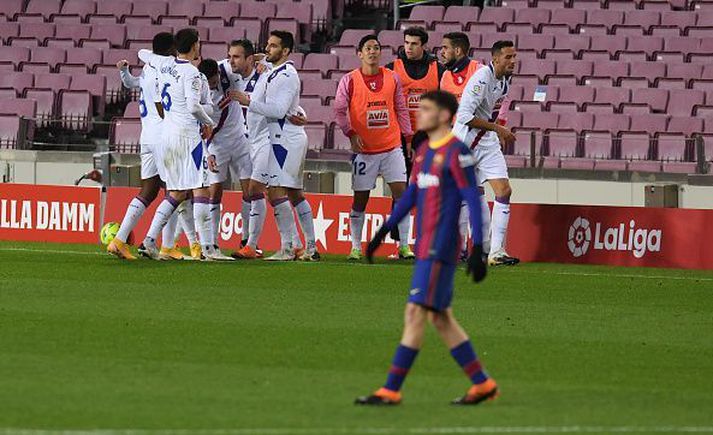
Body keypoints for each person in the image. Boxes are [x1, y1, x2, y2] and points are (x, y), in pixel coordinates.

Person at [355, 90, 495, 406]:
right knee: (440, 318)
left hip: (441, 246)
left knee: (415, 312)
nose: (420, 112)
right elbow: (411, 196)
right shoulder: (423, 152)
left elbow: (472, 198)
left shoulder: (457, 152)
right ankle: (482, 383)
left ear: (445, 116)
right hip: (425, 245)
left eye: (428, 108)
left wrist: (478, 249)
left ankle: (390, 389)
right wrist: (385, 230)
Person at [137, 28, 228, 261]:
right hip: (187, 138)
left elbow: (142, 53)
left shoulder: (164, 66)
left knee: (176, 192)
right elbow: (194, 106)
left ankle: (149, 241)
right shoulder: (192, 74)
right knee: (201, 188)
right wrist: (208, 123)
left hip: (166, 136)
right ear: (195, 46)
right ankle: (208, 248)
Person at [108, 32, 199, 261]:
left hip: (146, 136)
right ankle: (165, 245)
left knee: (148, 191)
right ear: (171, 51)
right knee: (176, 191)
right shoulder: (167, 70)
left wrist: (124, 71)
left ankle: (119, 240)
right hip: (164, 138)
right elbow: (162, 105)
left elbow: (131, 82)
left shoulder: (149, 69)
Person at [232, 31, 319, 261]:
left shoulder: (286, 75)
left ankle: (290, 247)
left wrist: (248, 101)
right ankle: (306, 248)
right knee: (290, 193)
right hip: (275, 139)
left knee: (276, 191)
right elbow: (288, 107)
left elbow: (280, 110)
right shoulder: (272, 71)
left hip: (284, 140)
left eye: (273, 46)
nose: (268, 49)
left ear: (286, 51)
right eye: (267, 45)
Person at [334, 34, 415, 261]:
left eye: (376, 48)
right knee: (360, 200)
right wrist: (350, 133)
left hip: (391, 147)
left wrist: (407, 138)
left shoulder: (392, 78)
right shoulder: (349, 80)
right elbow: (339, 110)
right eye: (368, 48)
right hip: (364, 151)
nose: (373, 51)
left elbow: (401, 108)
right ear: (359, 53)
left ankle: (404, 246)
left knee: (402, 195)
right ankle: (355, 247)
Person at [453, 40, 519, 267]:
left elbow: (494, 111)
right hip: (466, 142)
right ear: (496, 59)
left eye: (514, 56)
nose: (513, 61)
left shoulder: (505, 82)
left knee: (504, 190)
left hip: (487, 142)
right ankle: (479, 247)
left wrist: (498, 128)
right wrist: (498, 128)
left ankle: (497, 252)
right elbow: (463, 116)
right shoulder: (481, 78)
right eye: (508, 57)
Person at [385, 26, 445, 255]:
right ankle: (400, 244)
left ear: (424, 46)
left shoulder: (437, 69)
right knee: (401, 188)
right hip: (401, 135)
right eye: (406, 43)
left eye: (413, 44)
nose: (408, 47)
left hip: (428, 135)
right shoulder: (392, 69)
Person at [196, 57, 245, 260]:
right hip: (215, 143)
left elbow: (245, 62)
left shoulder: (227, 69)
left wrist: (262, 62)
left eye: (215, 80)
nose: (213, 85)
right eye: (210, 82)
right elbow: (199, 128)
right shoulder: (197, 93)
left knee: (250, 188)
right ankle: (211, 243)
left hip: (240, 137)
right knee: (214, 191)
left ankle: (248, 243)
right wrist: (207, 153)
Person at [439, 32, 480, 102]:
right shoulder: (446, 75)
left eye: (445, 48)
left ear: (457, 51)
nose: (441, 52)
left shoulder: (479, 71)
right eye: (442, 48)